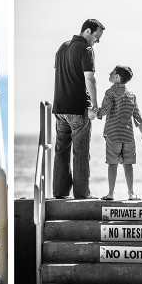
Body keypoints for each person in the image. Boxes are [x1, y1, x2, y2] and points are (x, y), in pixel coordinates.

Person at [51, 18, 104, 199]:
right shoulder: (86, 49)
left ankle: (59, 192)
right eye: (97, 36)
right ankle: (82, 194)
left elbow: (60, 73)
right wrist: (94, 105)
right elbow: (90, 79)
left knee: (61, 151)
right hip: (77, 108)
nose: (97, 41)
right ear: (87, 31)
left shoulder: (62, 47)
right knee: (80, 153)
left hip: (59, 108)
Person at [95, 65, 142, 200]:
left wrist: (95, 112)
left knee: (112, 164)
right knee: (128, 164)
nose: (109, 73)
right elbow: (137, 116)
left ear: (117, 77)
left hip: (113, 134)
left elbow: (106, 110)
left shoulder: (110, 92)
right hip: (128, 135)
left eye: (112, 72)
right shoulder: (132, 95)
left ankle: (111, 194)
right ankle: (131, 193)